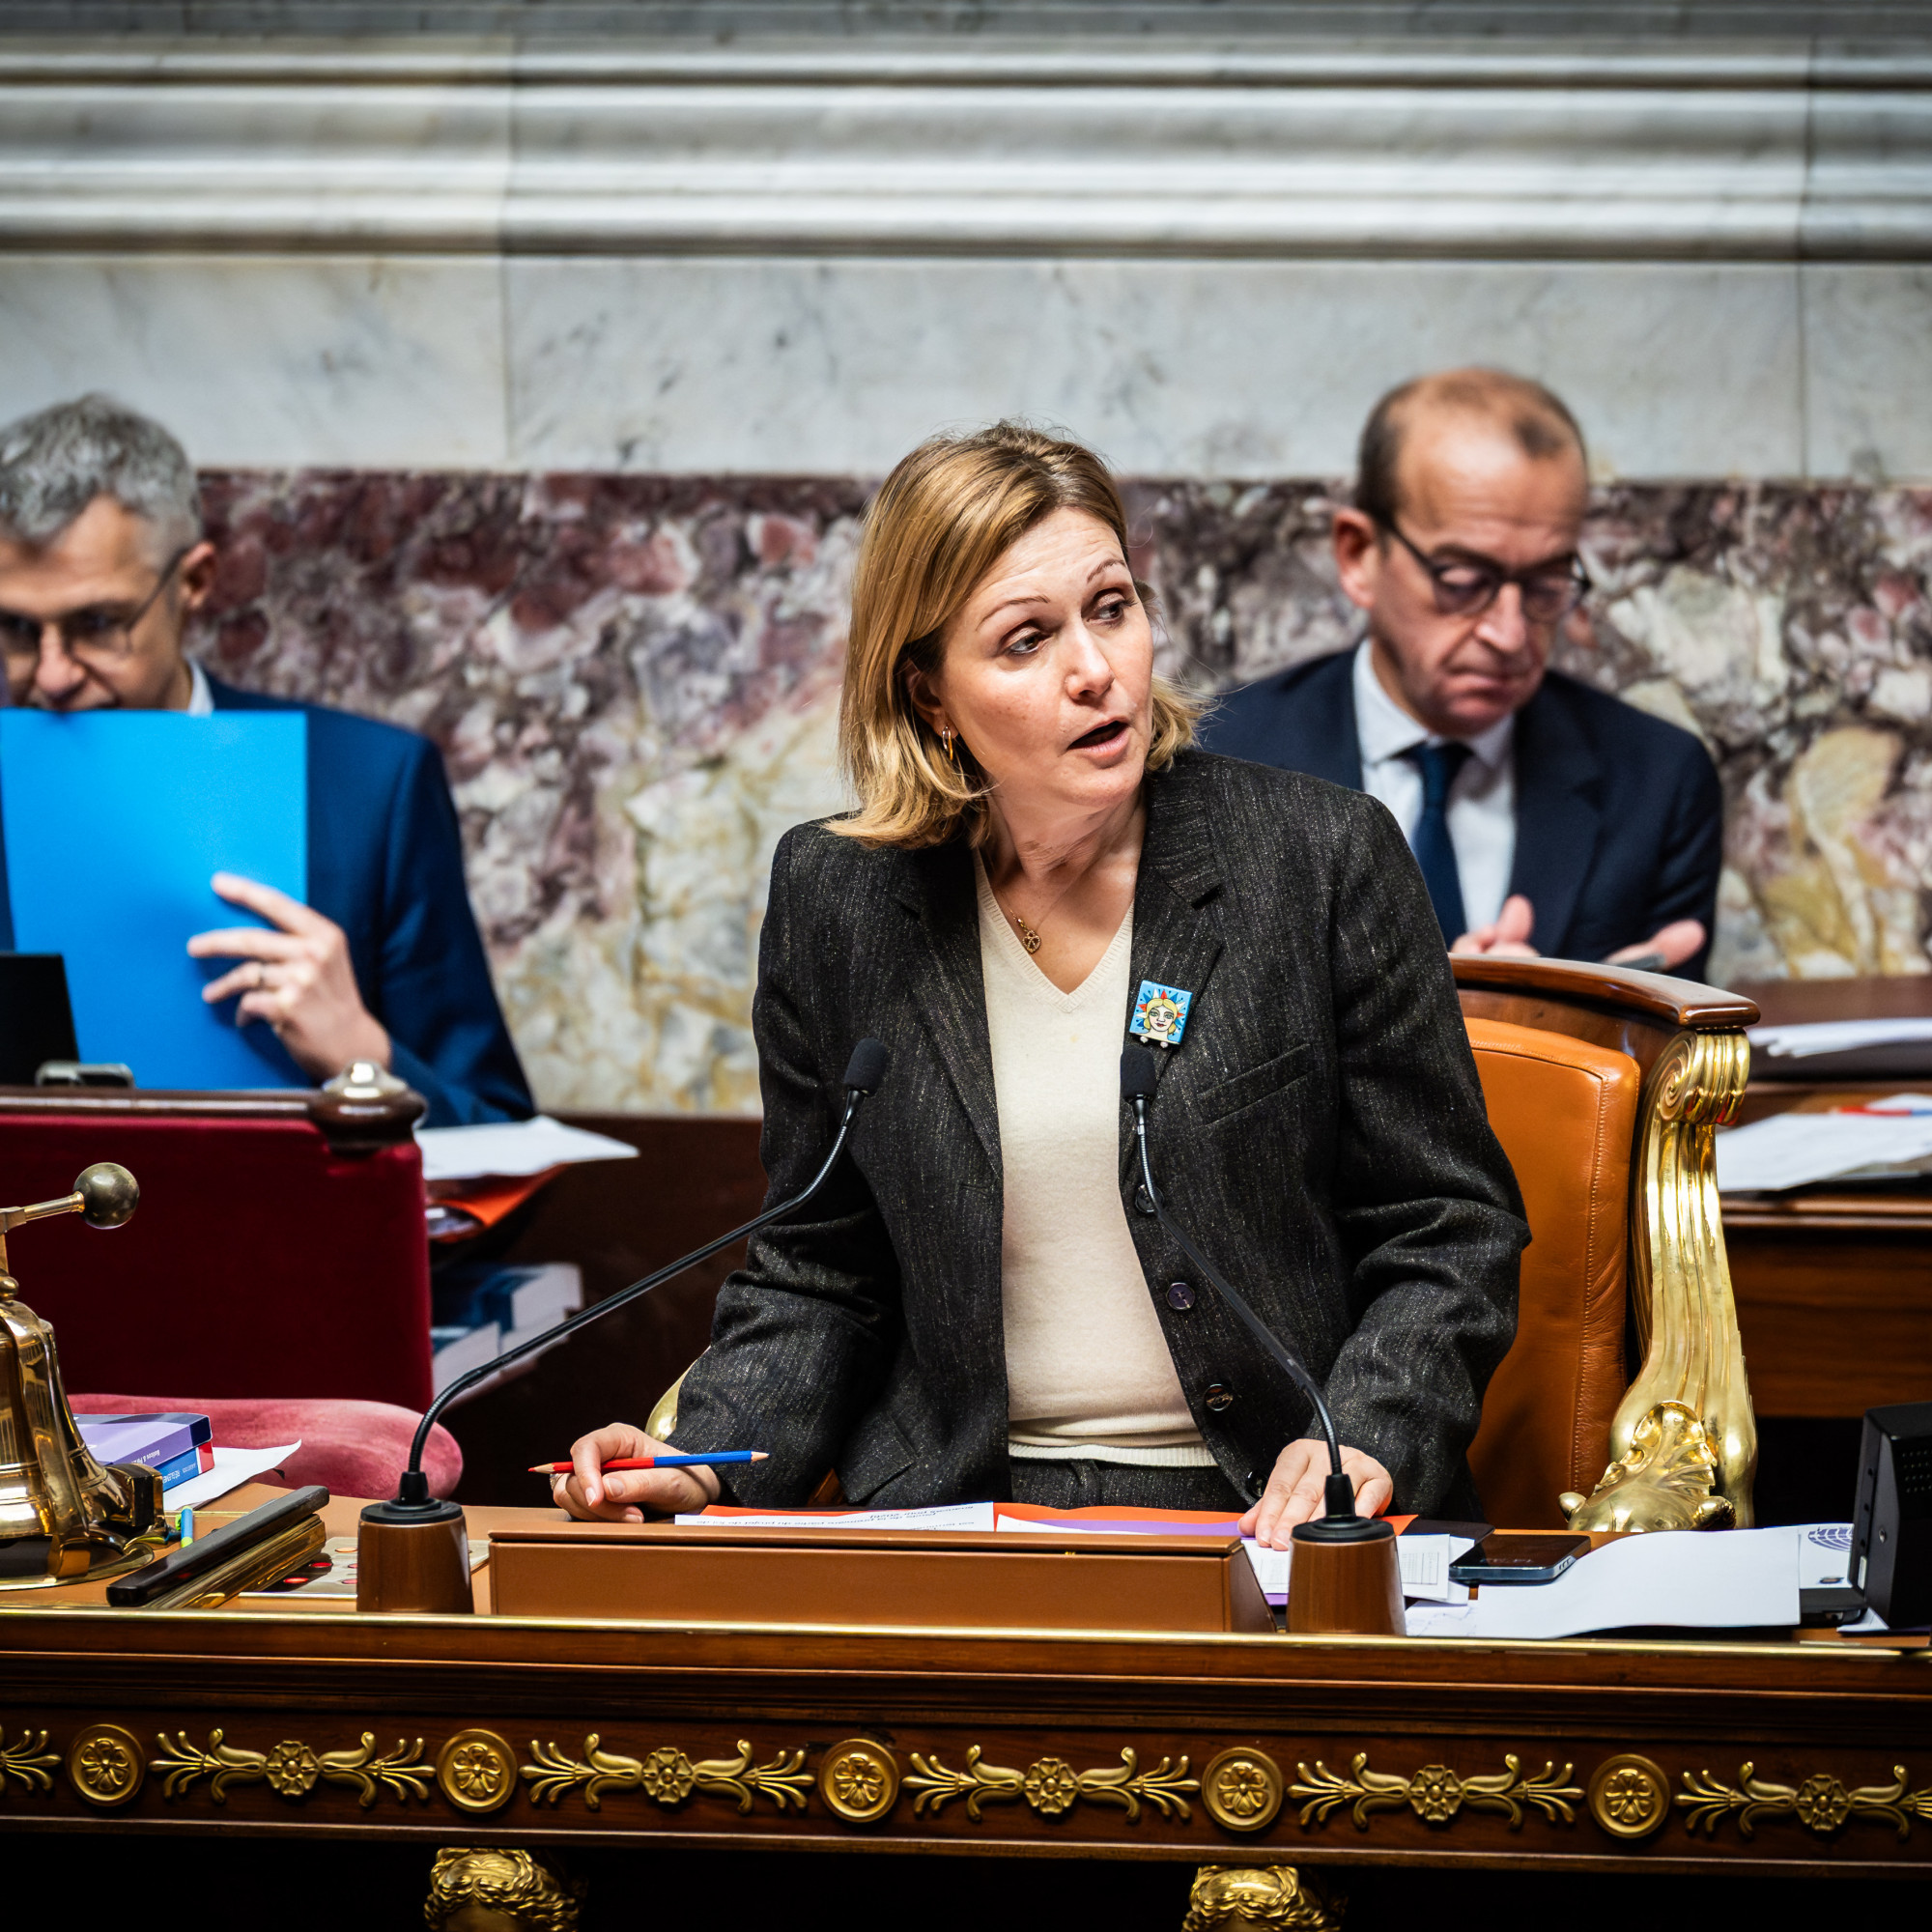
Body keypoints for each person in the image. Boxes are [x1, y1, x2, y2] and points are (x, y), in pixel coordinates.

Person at [556, 421, 1527, 1548]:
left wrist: (1363, 1434)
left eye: (1110, 608)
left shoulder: (1314, 859)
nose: (1093, 669)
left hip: (1271, 1506)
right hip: (962, 1509)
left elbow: (1446, 1225)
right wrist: (703, 1461)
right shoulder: (841, 896)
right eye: (1025, 640)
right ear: (928, 694)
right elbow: (819, 1268)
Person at [0, 394, 531, 1126]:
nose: (52, 675)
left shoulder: (369, 789)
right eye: (16, 629)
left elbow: (498, 1130)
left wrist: (363, 1056)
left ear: (193, 583)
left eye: (97, 623)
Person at [1201, 369, 1723, 979]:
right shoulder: (1217, 766)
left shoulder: (1658, 784)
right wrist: (1480, 1018)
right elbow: (1174, 1020)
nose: (1509, 634)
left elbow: (1677, 1030)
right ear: (1359, 555)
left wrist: (1587, 1020)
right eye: (1463, 580)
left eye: (1546, 583)